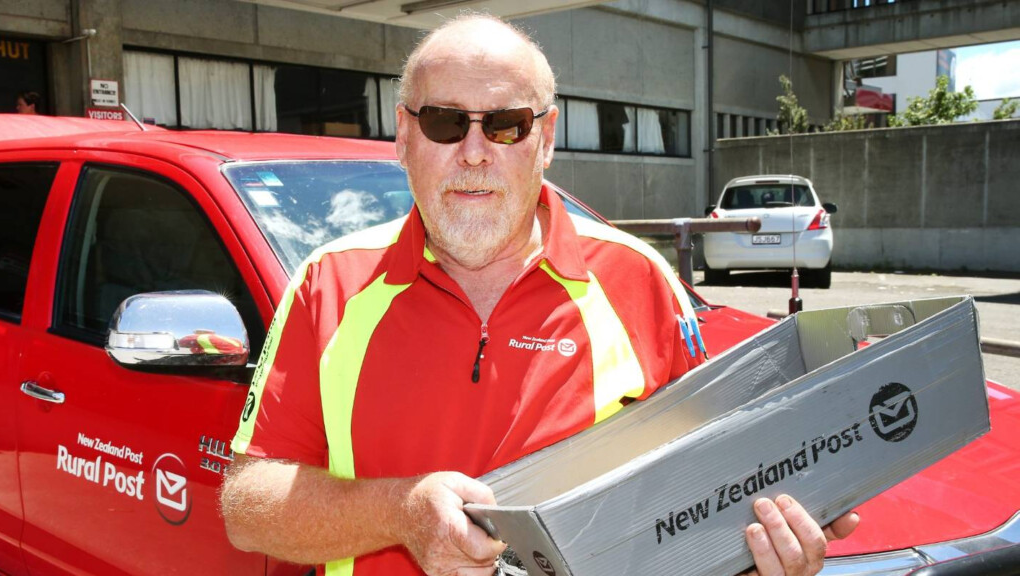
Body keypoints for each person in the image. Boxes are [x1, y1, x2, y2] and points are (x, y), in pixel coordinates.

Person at [220, 14, 858, 576]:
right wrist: (400, 513)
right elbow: (248, 508)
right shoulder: (327, 284)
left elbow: (701, 501)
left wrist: (758, 553)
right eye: (444, 122)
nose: (474, 153)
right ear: (404, 135)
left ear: (546, 138)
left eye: (505, 126)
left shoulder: (639, 279)